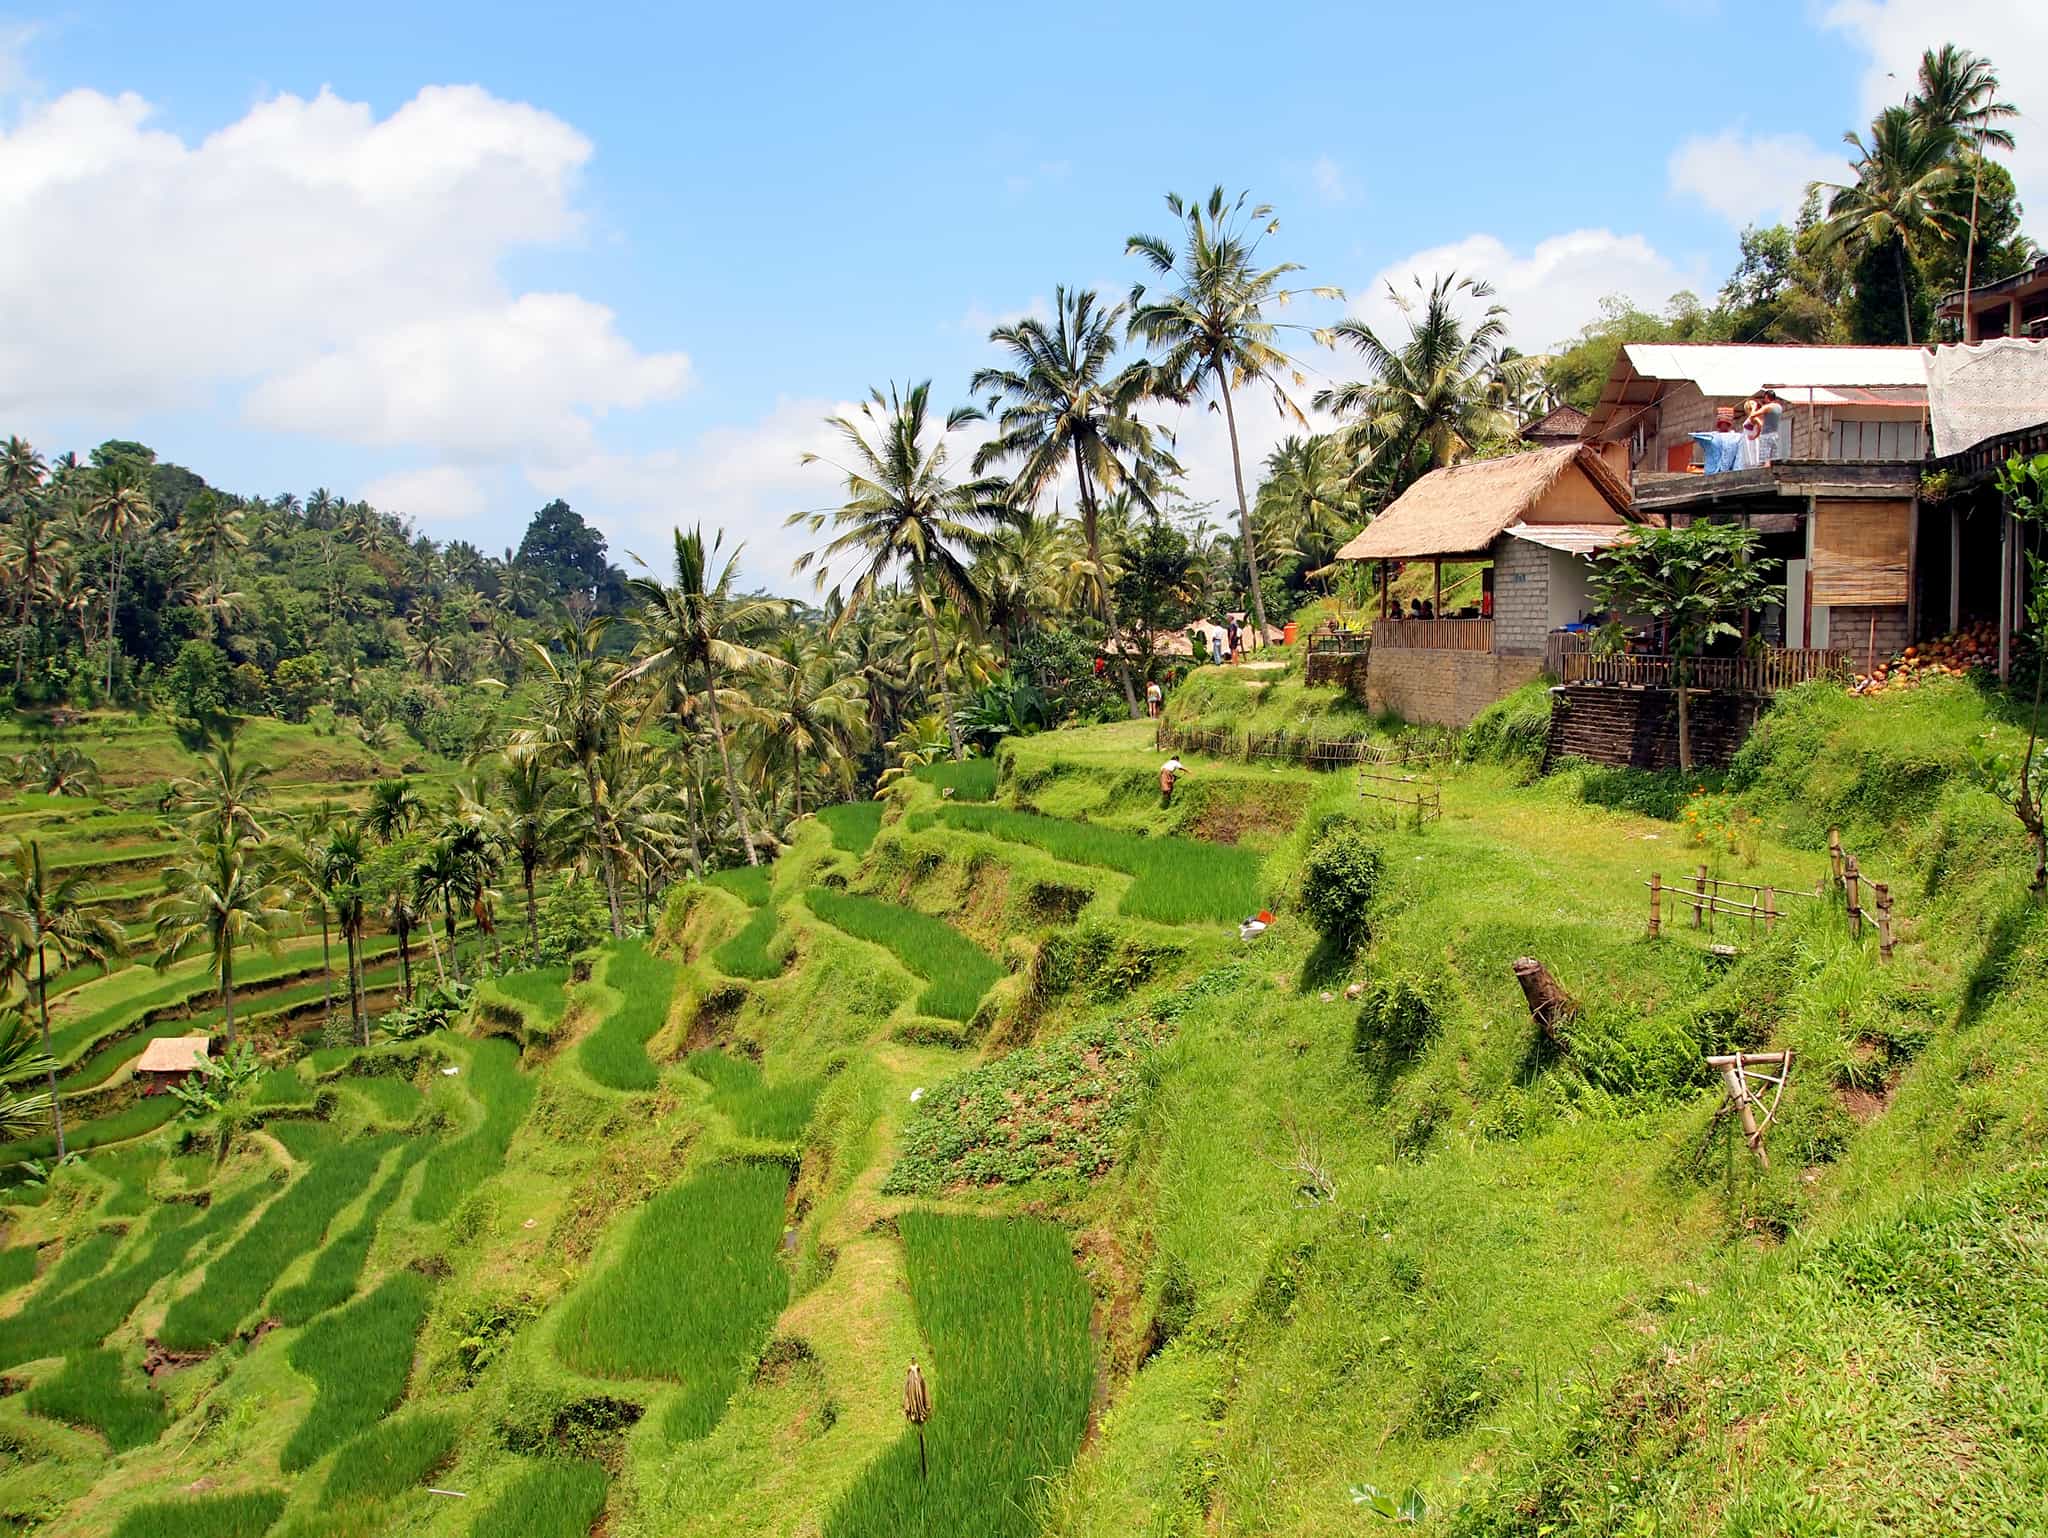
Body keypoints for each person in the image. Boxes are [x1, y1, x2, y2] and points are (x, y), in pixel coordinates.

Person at [1690, 408, 1746, 474]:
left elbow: (1739, 458)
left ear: (1729, 424)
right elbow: (1698, 438)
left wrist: (1736, 472)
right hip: (1712, 472)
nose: (1723, 425)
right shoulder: (1712, 437)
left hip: (1727, 472)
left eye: (1725, 423)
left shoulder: (1737, 437)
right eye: (1722, 423)